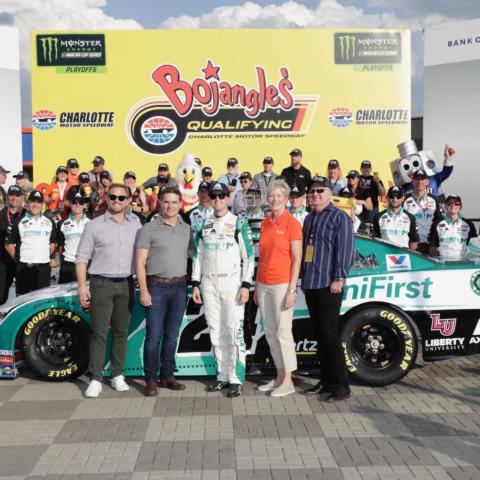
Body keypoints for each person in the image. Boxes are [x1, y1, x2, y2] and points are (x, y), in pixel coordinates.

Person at [75, 183, 142, 398]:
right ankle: (95, 378)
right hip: (101, 283)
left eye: (122, 198)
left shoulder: (136, 224)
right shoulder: (94, 225)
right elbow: (81, 258)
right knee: (99, 332)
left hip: (126, 284)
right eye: (112, 196)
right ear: (106, 198)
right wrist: (82, 286)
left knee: (122, 332)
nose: (116, 200)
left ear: (128, 201)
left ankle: (117, 374)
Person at [191, 182, 254, 398]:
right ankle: (222, 376)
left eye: (221, 196)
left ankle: (236, 379)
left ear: (228, 198)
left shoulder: (238, 222)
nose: (217, 200)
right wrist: (195, 283)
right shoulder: (203, 224)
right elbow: (197, 256)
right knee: (215, 332)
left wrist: (246, 284)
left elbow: (249, 257)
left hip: (232, 284)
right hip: (208, 284)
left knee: (233, 332)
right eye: (214, 196)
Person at [135, 187, 193, 396]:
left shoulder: (186, 229)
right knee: (154, 337)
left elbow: (191, 254)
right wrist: (144, 290)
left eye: (174, 202)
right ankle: (150, 379)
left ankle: (167, 376)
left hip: (179, 287)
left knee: (171, 337)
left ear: (180, 204)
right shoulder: (148, 229)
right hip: (156, 287)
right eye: (166, 202)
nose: (170, 206)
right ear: (160, 202)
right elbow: (140, 262)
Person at [301, 176, 354, 402]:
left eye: (320, 191)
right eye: (312, 191)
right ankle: (327, 379)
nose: (315, 194)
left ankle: (343, 385)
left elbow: (346, 248)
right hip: (312, 283)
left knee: (330, 336)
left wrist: (339, 276)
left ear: (330, 193)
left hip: (329, 284)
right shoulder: (310, 218)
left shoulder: (339, 217)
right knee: (320, 335)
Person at [255, 180, 302, 397]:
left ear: (286, 199)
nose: (274, 199)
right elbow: (262, 257)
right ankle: (279, 376)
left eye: (278, 196)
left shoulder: (292, 223)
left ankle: (289, 381)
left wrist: (292, 290)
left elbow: (297, 258)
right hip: (264, 283)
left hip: (282, 284)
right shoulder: (265, 223)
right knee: (271, 333)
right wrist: (257, 286)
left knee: (284, 333)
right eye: (271, 195)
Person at [6, 191, 56, 295]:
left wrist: (46, 257)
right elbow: (9, 244)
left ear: (42, 204)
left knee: (42, 302)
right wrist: (19, 260)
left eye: (39, 202)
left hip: (43, 269)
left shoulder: (49, 222)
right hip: (24, 268)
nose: (35, 205)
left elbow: (52, 243)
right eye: (33, 201)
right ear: (28, 203)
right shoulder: (18, 221)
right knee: (22, 302)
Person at [403, 169, 441, 254]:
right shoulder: (404, 199)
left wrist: (434, 243)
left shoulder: (434, 200)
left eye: (422, 179)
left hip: (429, 245)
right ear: (412, 181)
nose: (419, 182)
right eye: (417, 179)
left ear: (427, 181)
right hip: (410, 245)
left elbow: (438, 223)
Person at [428, 194, 476, 261]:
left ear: (460, 207)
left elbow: (473, 246)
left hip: (464, 262)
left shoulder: (469, 224)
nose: (453, 205)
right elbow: (432, 247)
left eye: (456, 203)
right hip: (443, 263)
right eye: (449, 203)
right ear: (445, 206)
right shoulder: (436, 224)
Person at [0, 186, 26, 303]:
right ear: (7, 196)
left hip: (22, 261)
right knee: (1, 296)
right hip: (3, 262)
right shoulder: (1, 213)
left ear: (22, 197)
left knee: (23, 298)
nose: (14, 198)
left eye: (17, 195)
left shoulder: (28, 214)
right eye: (11, 195)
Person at [57, 193, 90, 283]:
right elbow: (60, 247)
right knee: (65, 296)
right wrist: (62, 265)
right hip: (68, 265)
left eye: (81, 202)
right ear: (70, 204)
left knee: (86, 296)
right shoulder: (61, 223)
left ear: (84, 205)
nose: (78, 204)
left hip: (87, 264)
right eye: (75, 202)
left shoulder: (91, 222)